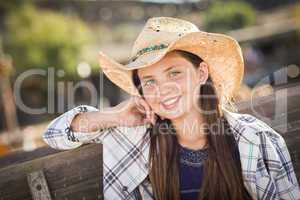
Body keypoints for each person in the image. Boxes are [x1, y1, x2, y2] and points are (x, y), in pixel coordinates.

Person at [43, 17, 300, 200]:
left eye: (174, 72)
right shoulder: (134, 137)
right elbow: (54, 135)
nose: (163, 89)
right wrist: (115, 115)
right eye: (150, 81)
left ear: (201, 73)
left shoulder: (256, 140)